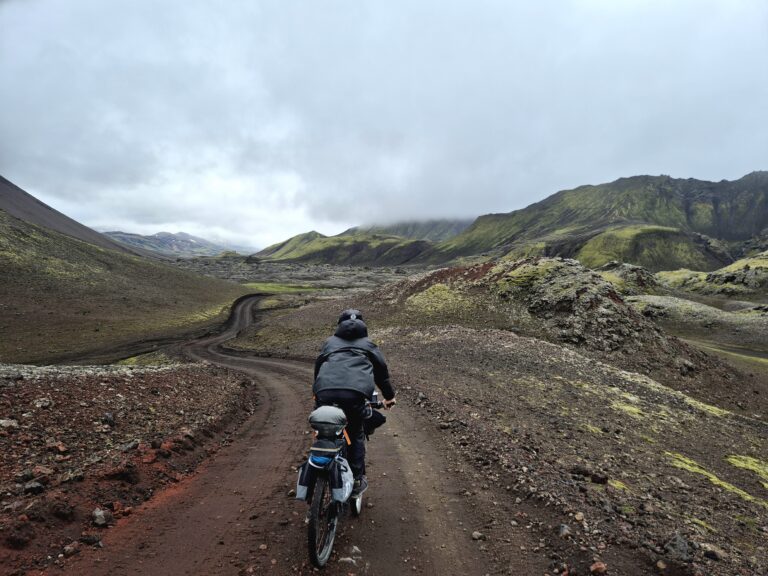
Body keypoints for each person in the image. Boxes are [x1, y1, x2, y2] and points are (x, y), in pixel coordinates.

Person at [313, 308, 395, 496]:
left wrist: (317, 393)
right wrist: (389, 397)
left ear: (339, 325)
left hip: (324, 392)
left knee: (324, 428)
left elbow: (318, 368)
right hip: (354, 396)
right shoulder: (368, 344)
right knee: (356, 431)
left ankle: (318, 467)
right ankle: (357, 478)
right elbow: (382, 374)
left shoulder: (329, 343)